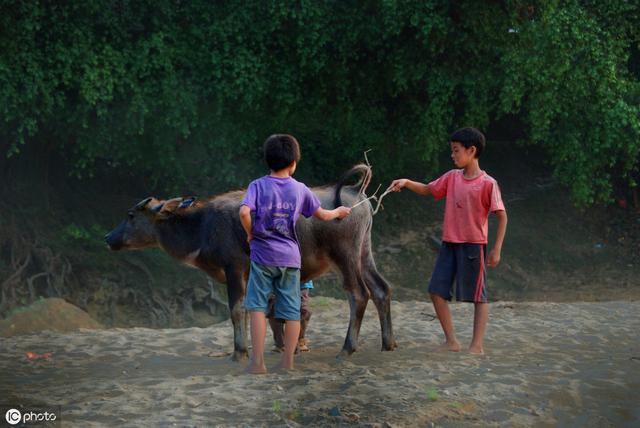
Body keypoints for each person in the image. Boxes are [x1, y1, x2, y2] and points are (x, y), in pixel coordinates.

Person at [387, 127, 507, 355]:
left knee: (478, 297)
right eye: (452, 151)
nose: (452, 155)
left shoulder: (488, 183)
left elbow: (502, 215)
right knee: (436, 290)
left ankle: (477, 345)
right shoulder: (452, 178)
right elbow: (429, 190)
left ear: (472, 151)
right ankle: (452, 341)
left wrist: (496, 249)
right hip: (449, 244)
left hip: (474, 245)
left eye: (456, 151)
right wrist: (406, 182)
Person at [239, 134, 351, 374]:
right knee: (291, 311)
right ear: (293, 163)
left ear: (268, 161)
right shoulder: (300, 189)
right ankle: (288, 361)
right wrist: (339, 211)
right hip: (289, 258)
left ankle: (258, 363)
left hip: (262, 256)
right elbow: (322, 215)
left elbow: (244, 213)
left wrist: (251, 234)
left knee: (257, 307)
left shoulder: (257, 186)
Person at [268, 280, 314, 353]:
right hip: (276, 279)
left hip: (302, 280)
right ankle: (279, 343)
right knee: (273, 309)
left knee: (304, 310)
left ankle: (300, 340)